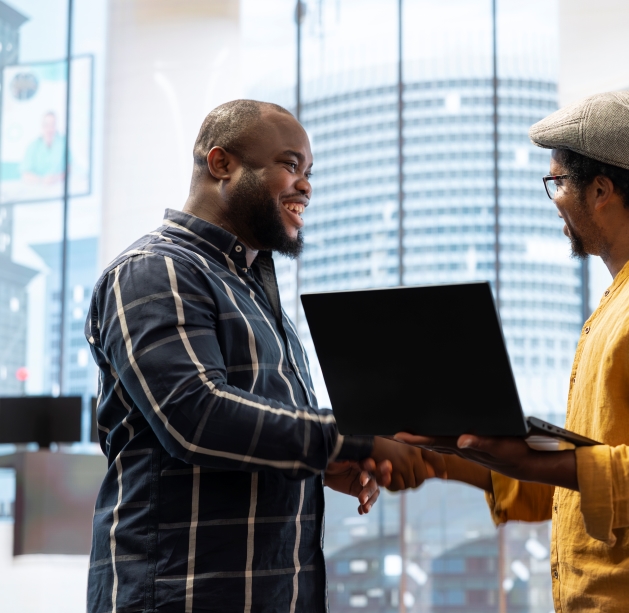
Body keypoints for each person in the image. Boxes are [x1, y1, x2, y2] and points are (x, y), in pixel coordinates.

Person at [397, 91, 629, 612]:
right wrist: (442, 455)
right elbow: (583, 485)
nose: (555, 202)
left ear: (601, 190)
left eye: (557, 184)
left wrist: (530, 456)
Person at [85, 100, 442, 613]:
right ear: (221, 163)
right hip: (177, 594)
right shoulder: (155, 272)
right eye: (290, 165)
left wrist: (323, 464)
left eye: (309, 172)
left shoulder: (251, 289)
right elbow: (197, 417)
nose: (306, 186)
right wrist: (354, 438)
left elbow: (250, 430)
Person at [21, 111, 66, 185]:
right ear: (42, 126)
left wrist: (57, 178)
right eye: (47, 125)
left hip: (59, 185)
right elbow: (25, 174)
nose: (50, 128)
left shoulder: (63, 143)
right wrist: (42, 180)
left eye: (53, 125)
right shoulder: (33, 146)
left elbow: (69, 168)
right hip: (37, 187)